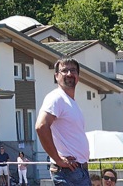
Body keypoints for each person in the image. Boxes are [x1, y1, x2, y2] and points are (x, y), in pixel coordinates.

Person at [35, 58, 95, 186]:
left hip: (77, 170)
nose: (69, 74)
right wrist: (57, 159)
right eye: (64, 71)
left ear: (78, 76)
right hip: (68, 171)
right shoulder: (56, 98)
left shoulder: (70, 102)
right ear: (56, 76)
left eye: (73, 70)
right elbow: (41, 126)